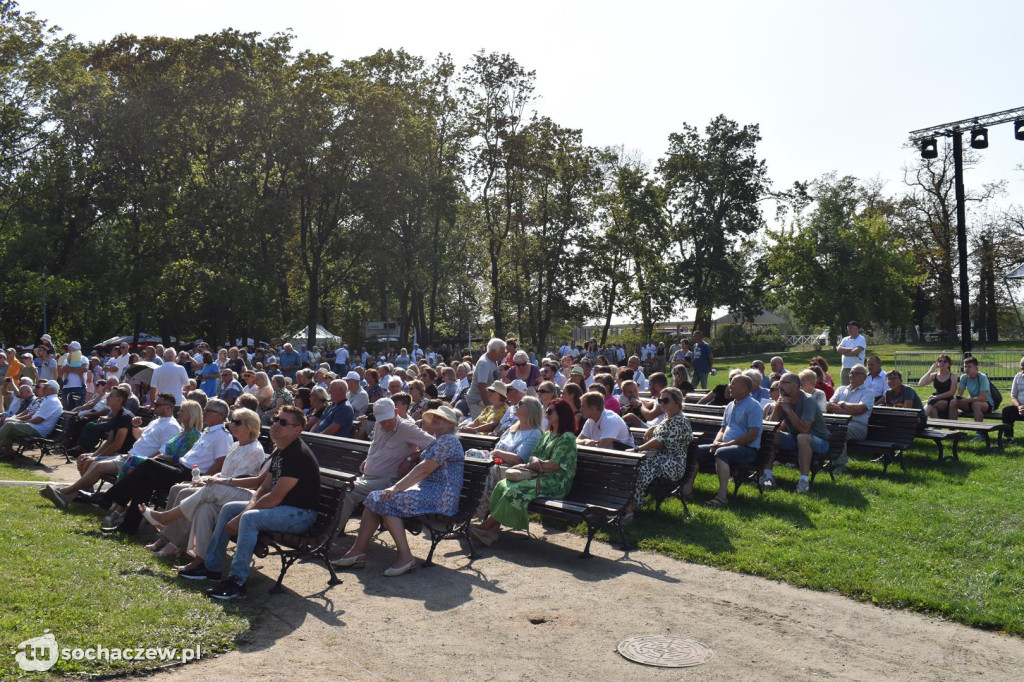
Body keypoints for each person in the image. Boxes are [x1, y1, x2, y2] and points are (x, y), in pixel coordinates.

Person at [196, 405, 320, 599]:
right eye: (276, 419)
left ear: (297, 430)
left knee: (249, 518)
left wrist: (243, 515)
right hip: (282, 509)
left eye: (283, 422)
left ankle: (237, 581)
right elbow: (263, 488)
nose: (277, 424)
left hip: (301, 514)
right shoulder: (281, 450)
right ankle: (211, 567)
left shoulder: (298, 454)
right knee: (230, 509)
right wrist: (245, 509)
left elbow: (275, 497)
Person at [332, 405, 465, 576]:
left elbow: (424, 469)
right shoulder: (439, 441)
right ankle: (358, 551)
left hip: (442, 496)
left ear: (451, 425)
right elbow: (422, 465)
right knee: (375, 498)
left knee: (385, 500)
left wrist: (396, 488)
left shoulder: (448, 440)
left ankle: (406, 557)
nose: (437, 420)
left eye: (443, 419)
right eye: (434, 417)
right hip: (429, 491)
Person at [76, 399, 234, 533]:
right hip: (179, 467)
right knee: (145, 482)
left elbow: (221, 463)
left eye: (208, 410)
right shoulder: (208, 432)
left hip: (188, 474)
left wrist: (203, 480)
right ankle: (128, 526)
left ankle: (106, 498)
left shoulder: (221, 435)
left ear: (219, 415)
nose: (204, 412)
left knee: (148, 464)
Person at [141, 407, 267, 561]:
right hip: (222, 486)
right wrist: (206, 479)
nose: (231, 424)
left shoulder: (254, 450)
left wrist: (211, 482)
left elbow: (238, 479)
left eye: (237, 422)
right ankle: (166, 537)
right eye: (232, 421)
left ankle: (173, 541)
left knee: (188, 494)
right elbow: (224, 472)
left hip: (235, 491)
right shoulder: (235, 445)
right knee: (177, 489)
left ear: (250, 426)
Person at [471, 399, 577, 545]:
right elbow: (534, 454)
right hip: (540, 476)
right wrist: (534, 460)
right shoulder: (547, 435)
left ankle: (487, 527)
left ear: (562, 414)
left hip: (556, 482)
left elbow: (555, 466)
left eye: (551, 411)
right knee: (503, 485)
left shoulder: (567, 437)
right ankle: (492, 531)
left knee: (516, 490)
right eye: (547, 411)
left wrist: (536, 463)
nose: (547, 414)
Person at [331, 398, 436, 536]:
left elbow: (435, 446)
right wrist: (368, 459)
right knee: (335, 486)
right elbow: (376, 446)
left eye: (388, 419)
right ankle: (325, 531)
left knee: (348, 490)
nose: (386, 424)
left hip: (388, 481)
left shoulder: (407, 427)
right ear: (376, 417)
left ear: (396, 412)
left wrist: (411, 458)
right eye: (382, 420)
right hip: (369, 477)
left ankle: (327, 536)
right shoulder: (379, 425)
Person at [683, 375, 762, 506]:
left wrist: (725, 445)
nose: (730, 386)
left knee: (722, 453)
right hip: (725, 446)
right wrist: (716, 442)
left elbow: (752, 435)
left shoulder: (754, 406)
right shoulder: (730, 405)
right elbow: (723, 429)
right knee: (695, 451)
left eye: (733, 384)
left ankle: (722, 497)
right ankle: (687, 491)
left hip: (747, 449)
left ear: (745, 388)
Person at [762, 373, 830, 493]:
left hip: (819, 442)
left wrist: (788, 410)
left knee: (803, 437)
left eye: (784, 383)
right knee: (771, 435)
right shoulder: (783, 400)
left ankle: (803, 482)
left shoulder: (808, 401)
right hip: (796, 438)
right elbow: (771, 426)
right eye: (779, 383)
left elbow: (804, 429)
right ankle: (768, 477)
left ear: (795, 386)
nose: (779, 386)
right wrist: (778, 406)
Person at [629, 387, 692, 506]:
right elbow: (663, 431)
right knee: (632, 465)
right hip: (661, 459)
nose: (661, 403)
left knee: (640, 468)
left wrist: (637, 449)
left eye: (666, 400)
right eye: (660, 400)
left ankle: (631, 506)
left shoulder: (680, 421)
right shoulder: (669, 417)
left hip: (673, 464)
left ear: (677, 402)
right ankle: (625, 502)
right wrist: (653, 428)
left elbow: (659, 442)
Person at [825, 364, 874, 472]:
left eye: (856, 373)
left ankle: (840, 466)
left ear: (864, 377)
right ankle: (820, 460)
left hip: (858, 426)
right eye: (851, 373)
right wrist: (850, 411)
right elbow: (830, 405)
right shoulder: (841, 389)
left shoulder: (868, 393)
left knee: (839, 432)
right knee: (823, 430)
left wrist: (843, 404)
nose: (852, 375)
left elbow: (861, 408)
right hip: (836, 423)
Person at [0, 380, 62, 459]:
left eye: (45, 387)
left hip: (38, 429)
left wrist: (23, 422)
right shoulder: (48, 400)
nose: (43, 389)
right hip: (34, 426)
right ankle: (7, 451)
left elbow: (38, 420)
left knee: (9, 425)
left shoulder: (52, 401)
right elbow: (35, 417)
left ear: (52, 390)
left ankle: (6, 451)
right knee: (8, 424)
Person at [478, 396, 543, 465]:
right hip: (494, 465)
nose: (516, 405)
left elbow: (519, 459)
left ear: (530, 409)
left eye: (520, 403)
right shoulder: (513, 428)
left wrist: (497, 453)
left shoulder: (535, 433)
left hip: (510, 471)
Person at [951, 357, 993, 431]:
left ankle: (980, 433)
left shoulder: (982, 377)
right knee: (953, 402)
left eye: (969, 367)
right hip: (972, 402)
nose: (966, 369)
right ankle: (952, 430)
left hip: (986, 404)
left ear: (976, 367)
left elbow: (982, 398)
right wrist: (959, 399)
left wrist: (966, 400)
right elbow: (959, 394)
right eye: (965, 367)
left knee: (976, 404)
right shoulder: (964, 377)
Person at [467, 338, 505, 419]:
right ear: (494, 351)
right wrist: (488, 406)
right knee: (481, 427)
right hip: (478, 402)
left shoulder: (493, 360)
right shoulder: (484, 363)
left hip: (486, 400)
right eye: (502, 352)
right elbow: (482, 386)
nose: (503, 355)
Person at [919, 354, 958, 419]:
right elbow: (921, 384)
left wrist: (937, 397)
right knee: (933, 408)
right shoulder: (934, 375)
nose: (942, 363)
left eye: (945, 361)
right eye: (940, 361)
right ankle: (936, 427)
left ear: (949, 364)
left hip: (947, 400)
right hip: (935, 399)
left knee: (931, 402)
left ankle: (920, 419)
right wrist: (930, 371)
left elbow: (952, 392)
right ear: (937, 363)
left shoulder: (953, 375)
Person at [836, 321, 866, 386]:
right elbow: (838, 349)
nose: (849, 330)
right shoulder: (845, 339)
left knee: (857, 387)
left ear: (857, 329)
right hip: (845, 368)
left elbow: (856, 351)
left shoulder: (861, 339)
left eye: (851, 328)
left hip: (857, 369)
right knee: (845, 388)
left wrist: (845, 352)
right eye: (848, 328)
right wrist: (852, 348)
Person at [1003, 356, 1024, 444]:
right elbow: (1013, 396)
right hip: (1020, 407)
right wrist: (1019, 407)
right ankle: (1009, 437)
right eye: (1021, 365)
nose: (1022, 368)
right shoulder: (1018, 376)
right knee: (1007, 411)